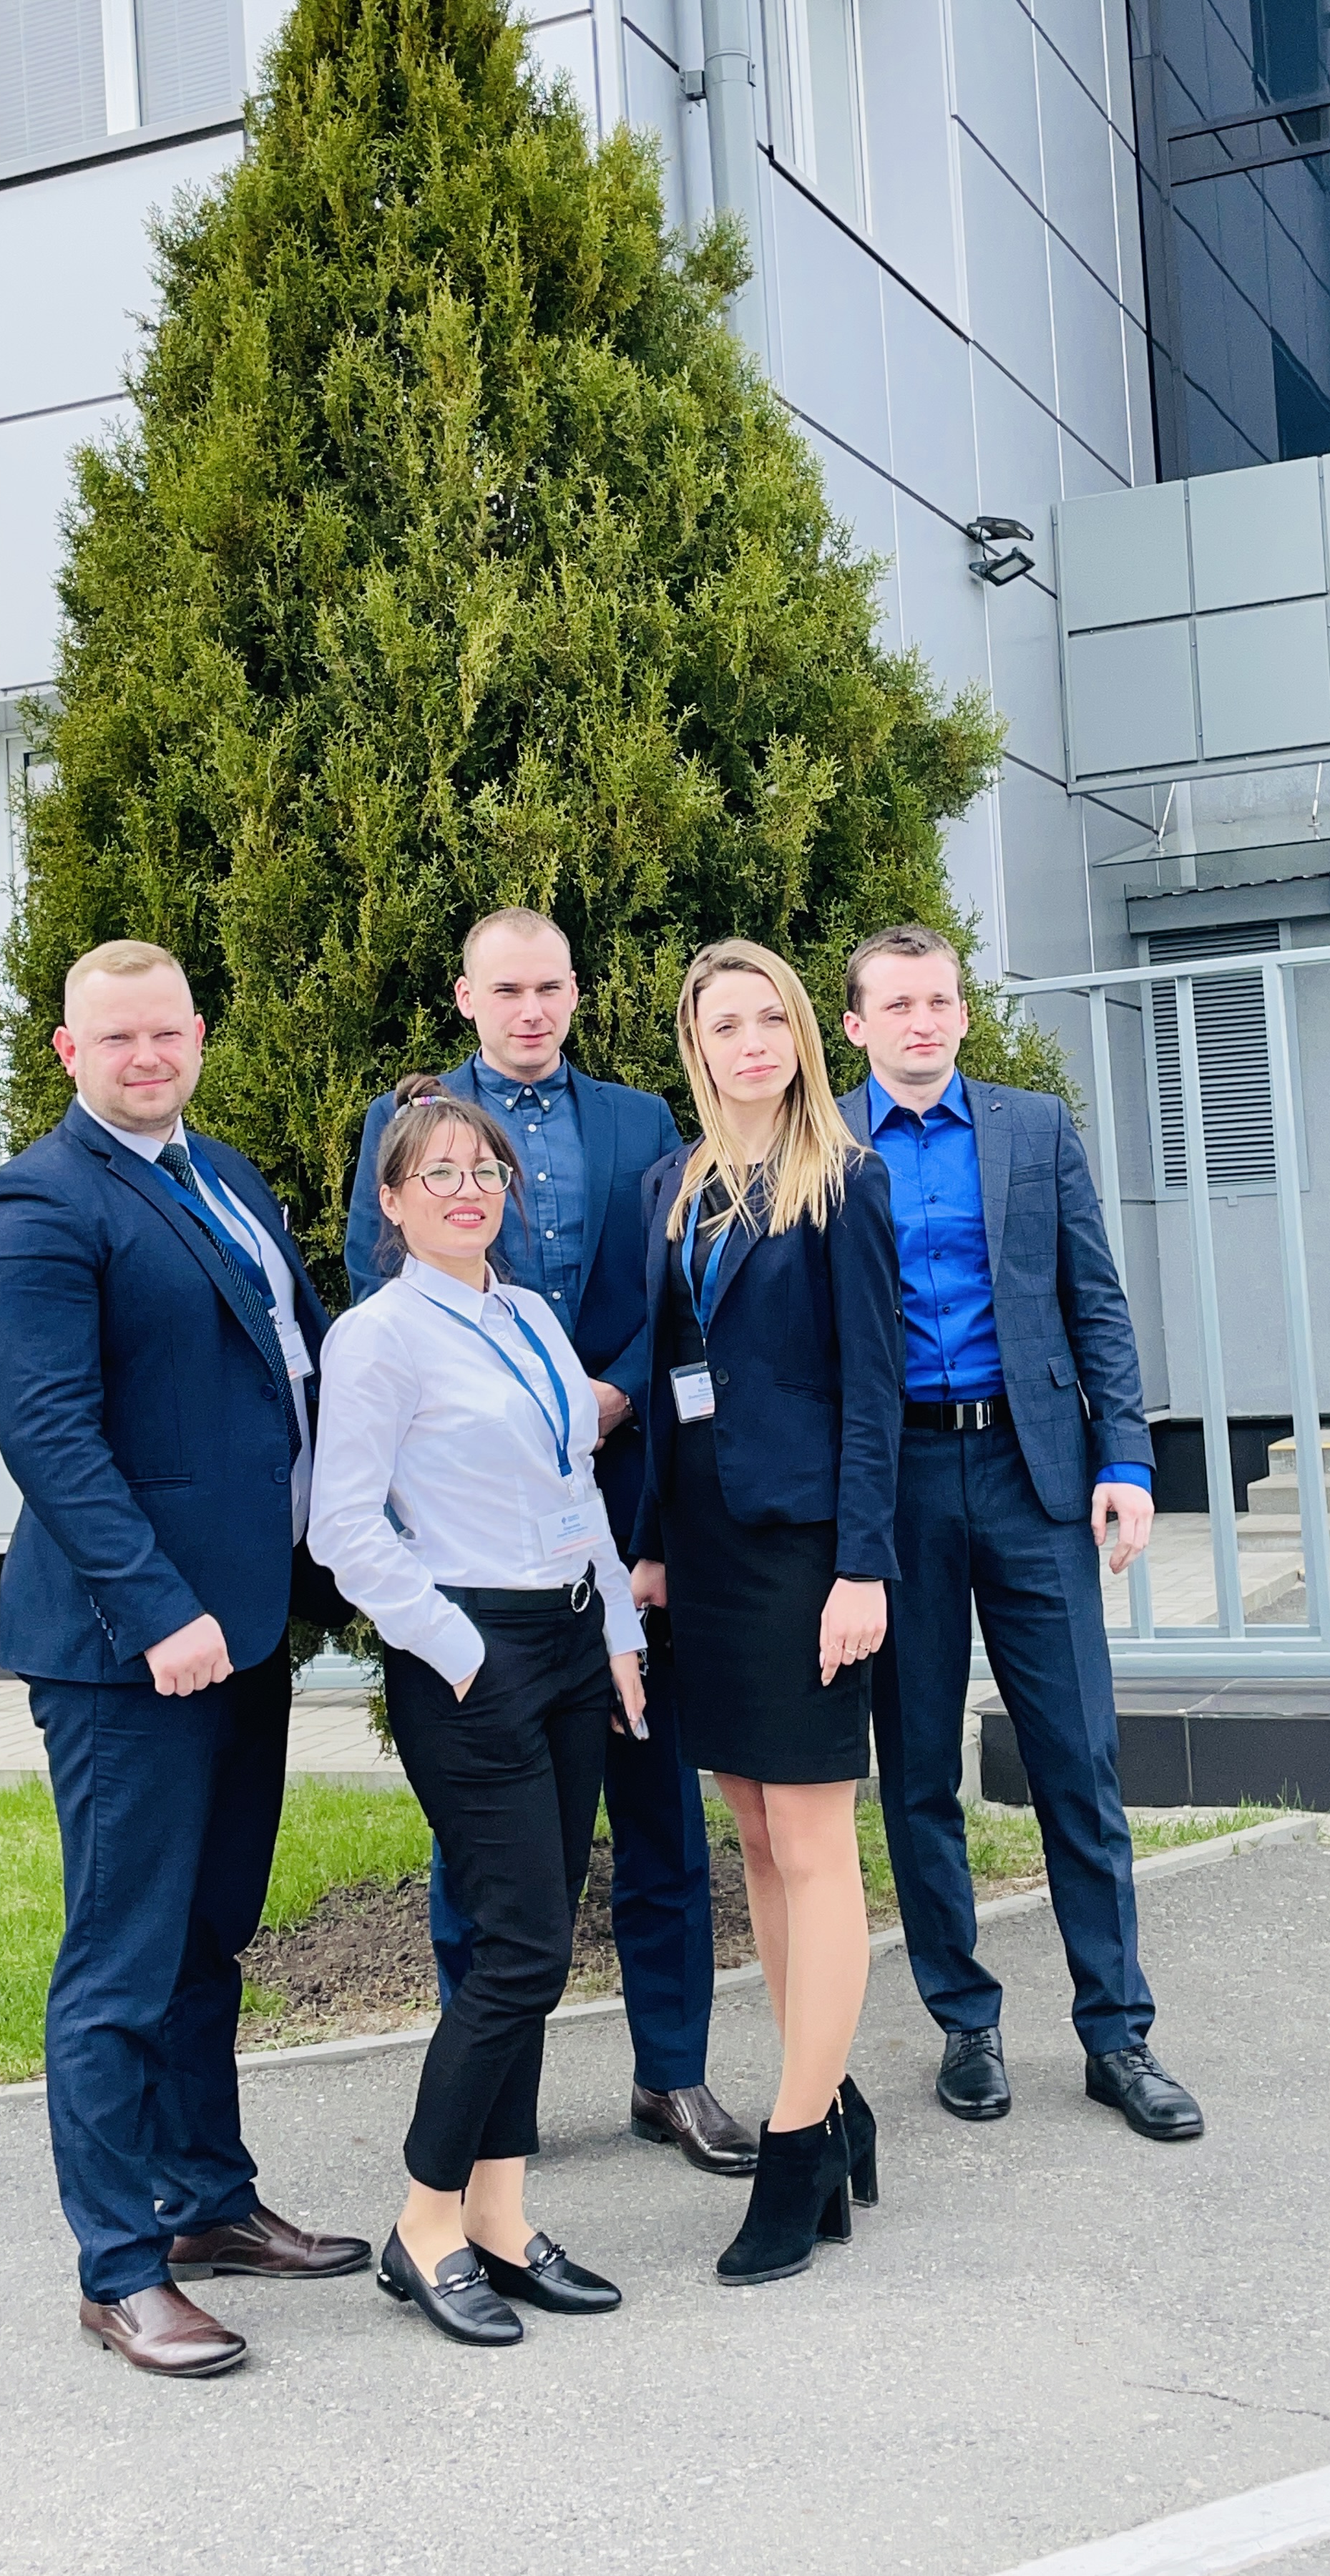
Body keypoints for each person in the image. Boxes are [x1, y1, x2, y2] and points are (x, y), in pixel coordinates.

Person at [0, 940, 368, 2382]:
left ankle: (206, 2201)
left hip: (242, 1633)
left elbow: (291, 1369)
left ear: (198, 1034)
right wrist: (153, 1608)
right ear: (69, 1053)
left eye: (166, 1033)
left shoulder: (224, 1175)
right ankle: (119, 2268)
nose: (147, 1058)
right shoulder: (36, 1202)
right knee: (121, 1962)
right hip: (131, 1648)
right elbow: (49, 1433)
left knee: (208, 1938)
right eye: (115, 1039)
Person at [345, 909, 749, 2179]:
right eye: (507, 990)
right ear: (466, 997)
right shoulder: (412, 1125)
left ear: (576, 993)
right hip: (480, 1543)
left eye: (550, 989)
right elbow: (381, 1295)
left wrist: (606, 1396)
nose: (531, 1010)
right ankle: (489, 2108)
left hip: (623, 1500)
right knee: (488, 1850)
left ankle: (671, 2074)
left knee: (658, 1808)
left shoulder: (638, 1121)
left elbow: (677, 1290)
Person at [839, 926, 1203, 2142]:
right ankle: (964, 2021)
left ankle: (1118, 2033)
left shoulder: (1033, 1128)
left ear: (960, 1012)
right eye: (898, 1004)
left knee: (1076, 1759)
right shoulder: (822, 1144)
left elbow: (1093, 1296)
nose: (922, 1021)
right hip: (896, 1482)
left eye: (939, 1000)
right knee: (919, 1771)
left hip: (1028, 1468)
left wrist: (1126, 1459)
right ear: (856, 1025)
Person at [311, 1075, 647, 2347]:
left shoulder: (529, 1314)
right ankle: (424, 2223)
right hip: (469, 1653)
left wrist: (617, 1634)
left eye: (484, 1171)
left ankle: (500, 2217)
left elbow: (575, 1485)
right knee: (516, 1951)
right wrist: (457, 1652)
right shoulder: (379, 1337)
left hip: (567, 1639)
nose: (466, 1190)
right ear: (392, 1203)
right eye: (436, 1173)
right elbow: (343, 1528)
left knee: (537, 1942)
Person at [630, 940, 902, 2286]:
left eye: (768, 1021)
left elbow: (875, 1386)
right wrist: (648, 1546)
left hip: (806, 1552)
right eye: (723, 1025)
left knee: (810, 1835)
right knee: (750, 1829)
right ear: (695, 1046)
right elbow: (666, 1371)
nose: (750, 1045)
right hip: (706, 1547)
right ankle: (831, 2100)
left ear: (801, 1034)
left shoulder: (844, 1181)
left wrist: (864, 1566)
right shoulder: (669, 1186)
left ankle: (796, 2145)